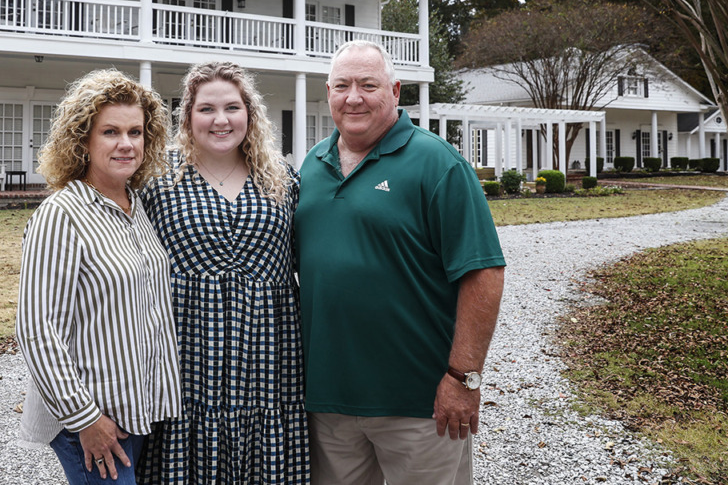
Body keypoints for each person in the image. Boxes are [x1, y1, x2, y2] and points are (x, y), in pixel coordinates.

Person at [294, 40, 506, 485]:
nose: (354, 97)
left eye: (368, 85)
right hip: (328, 403)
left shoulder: (438, 164)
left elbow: (483, 272)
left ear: (395, 90)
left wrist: (462, 378)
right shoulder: (311, 168)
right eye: (342, 85)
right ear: (327, 91)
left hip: (420, 403)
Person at [138, 61, 309, 484]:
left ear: (250, 114)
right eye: (206, 109)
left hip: (270, 356)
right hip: (186, 355)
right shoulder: (157, 180)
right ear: (188, 116)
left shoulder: (283, 179)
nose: (220, 120)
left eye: (232, 107)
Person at [16, 68, 181, 485]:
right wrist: (85, 418)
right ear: (83, 141)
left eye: (136, 132)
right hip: (90, 421)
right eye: (110, 132)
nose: (126, 144)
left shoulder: (136, 207)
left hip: (132, 414)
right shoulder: (62, 215)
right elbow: (36, 328)